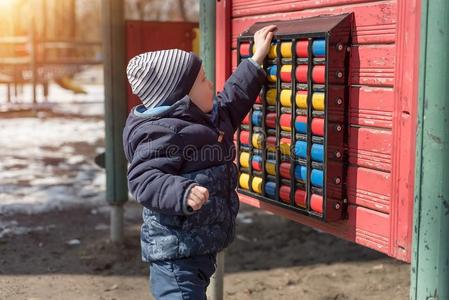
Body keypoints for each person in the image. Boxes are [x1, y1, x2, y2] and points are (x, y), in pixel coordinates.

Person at [122, 25, 277, 299]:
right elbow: (144, 179)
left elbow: (231, 101)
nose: (211, 86)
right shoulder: (160, 133)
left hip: (197, 248)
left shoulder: (203, 119)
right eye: (204, 81)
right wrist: (182, 191)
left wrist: (255, 61)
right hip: (175, 255)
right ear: (181, 97)